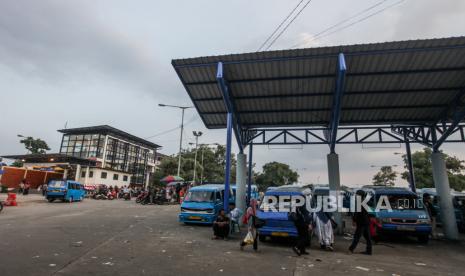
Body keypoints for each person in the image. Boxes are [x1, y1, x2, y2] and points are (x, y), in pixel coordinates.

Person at [349, 190, 372, 255]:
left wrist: (354, 220)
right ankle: (369, 251)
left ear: (360, 195)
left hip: (361, 222)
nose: (356, 196)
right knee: (368, 238)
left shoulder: (360, 202)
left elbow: (356, 213)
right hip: (366, 221)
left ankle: (351, 249)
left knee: (357, 236)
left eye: (357, 195)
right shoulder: (365, 201)